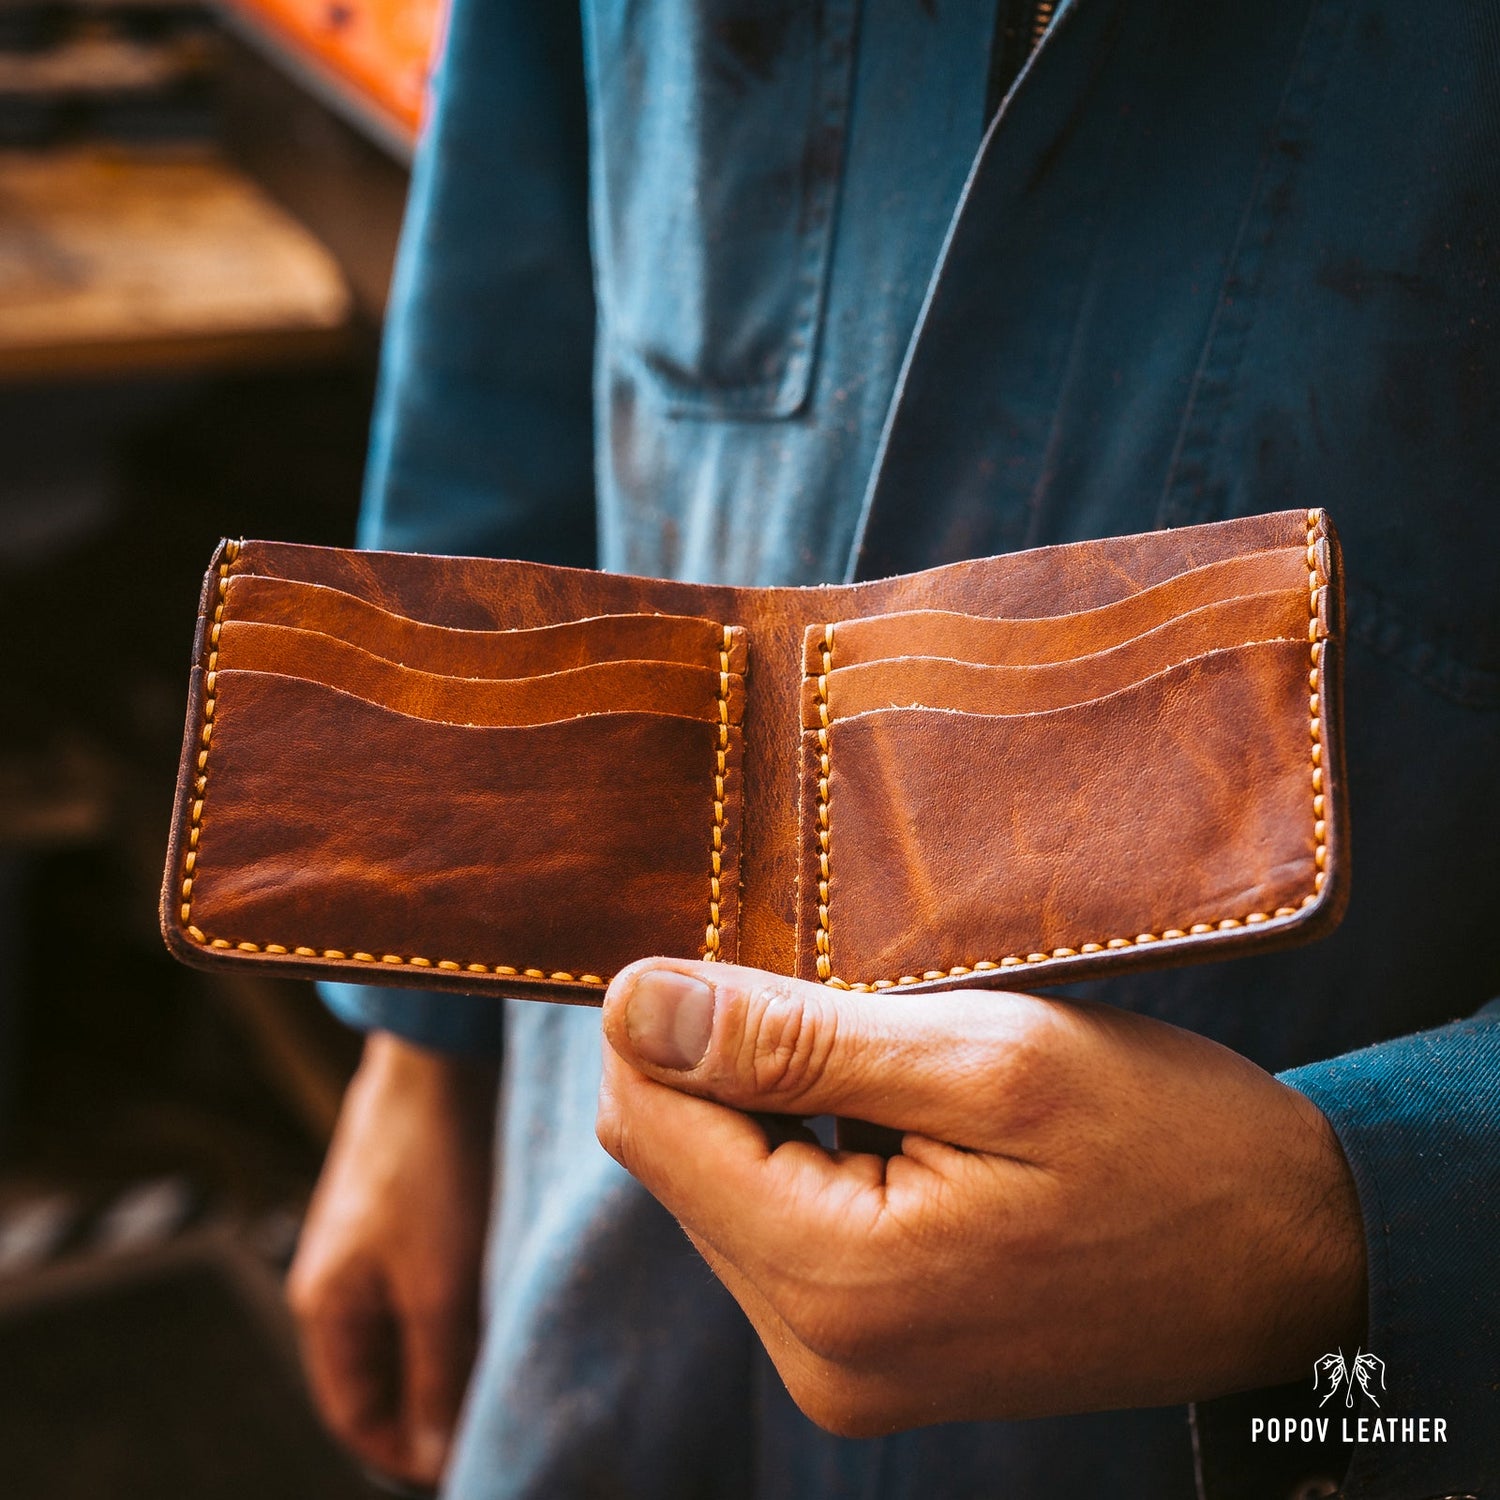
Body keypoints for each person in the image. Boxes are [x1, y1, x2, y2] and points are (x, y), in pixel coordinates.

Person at [286, 2, 1500, 1497]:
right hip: (601, 1233)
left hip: (1263, 1416)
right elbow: (511, 291)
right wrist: (421, 1053)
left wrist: (1360, 1214)